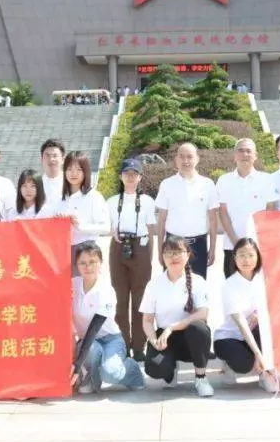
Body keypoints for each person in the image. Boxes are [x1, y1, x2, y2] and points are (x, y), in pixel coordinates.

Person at [140, 237, 213, 397]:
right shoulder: (154, 284)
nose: (173, 257)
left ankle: (201, 378)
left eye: (178, 252)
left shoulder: (198, 281)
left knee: (199, 329)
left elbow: (203, 313)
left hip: (189, 337)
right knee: (154, 368)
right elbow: (147, 320)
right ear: (162, 257)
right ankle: (170, 369)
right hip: (165, 339)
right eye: (169, 253)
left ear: (188, 254)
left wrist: (171, 328)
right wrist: (154, 340)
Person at [70, 243, 145, 394]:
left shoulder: (105, 290)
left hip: (111, 339)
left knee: (110, 373)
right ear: (76, 265)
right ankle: (92, 378)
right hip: (88, 342)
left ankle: (132, 370)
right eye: (82, 263)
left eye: (92, 262)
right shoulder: (72, 285)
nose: (88, 267)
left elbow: (94, 328)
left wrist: (77, 365)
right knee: (92, 352)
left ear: (100, 263)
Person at [106, 158, 156, 360]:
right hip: (119, 246)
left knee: (140, 299)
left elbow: (151, 230)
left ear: (140, 177)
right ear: (120, 176)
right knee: (120, 299)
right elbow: (106, 224)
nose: (130, 177)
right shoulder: (111, 201)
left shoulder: (147, 201)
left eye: (134, 174)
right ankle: (123, 344)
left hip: (140, 245)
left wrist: (150, 255)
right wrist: (112, 231)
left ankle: (139, 347)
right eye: (127, 173)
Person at [214, 238, 279, 393]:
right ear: (234, 258)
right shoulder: (229, 285)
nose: (246, 260)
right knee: (243, 365)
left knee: (266, 326)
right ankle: (229, 364)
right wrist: (258, 354)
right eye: (242, 255)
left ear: (258, 257)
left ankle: (265, 374)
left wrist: (259, 316)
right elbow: (241, 324)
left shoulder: (263, 281)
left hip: (255, 332)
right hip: (231, 337)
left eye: (251, 255)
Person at [155, 143, 220, 278]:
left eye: (190, 157)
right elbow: (161, 219)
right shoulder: (167, 184)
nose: (186, 161)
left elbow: (213, 219)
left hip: (199, 245)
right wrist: (160, 249)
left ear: (197, 159)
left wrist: (213, 248)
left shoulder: (207, 184)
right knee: (172, 286)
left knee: (198, 287)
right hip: (172, 245)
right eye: (182, 157)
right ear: (176, 159)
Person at [216, 138, 279, 277]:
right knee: (233, 285)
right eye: (241, 150)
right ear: (234, 155)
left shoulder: (267, 179)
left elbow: (270, 211)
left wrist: (256, 240)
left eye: (249, 151)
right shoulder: (224, 180)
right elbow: (223, 212)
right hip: (231, 246)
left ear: (255, 156)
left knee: (258, 287)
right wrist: (235, 241)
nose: (245, 154)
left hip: (258, 246)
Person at [56, 151, 109, 273]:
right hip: (63, 252)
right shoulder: (60, 198)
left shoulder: (94, 197)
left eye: (78, 169)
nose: (73, 173)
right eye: (69, 169)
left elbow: (106, 227)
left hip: (86, 251)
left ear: (85, 172)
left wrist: (80, 226)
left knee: (82, 284)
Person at [39, 139, 66, 207]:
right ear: (41, 159)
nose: (51, 159)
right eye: (47, 155)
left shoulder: (71, 183)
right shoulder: (36, 185)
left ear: (63, 159)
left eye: (55, 155)